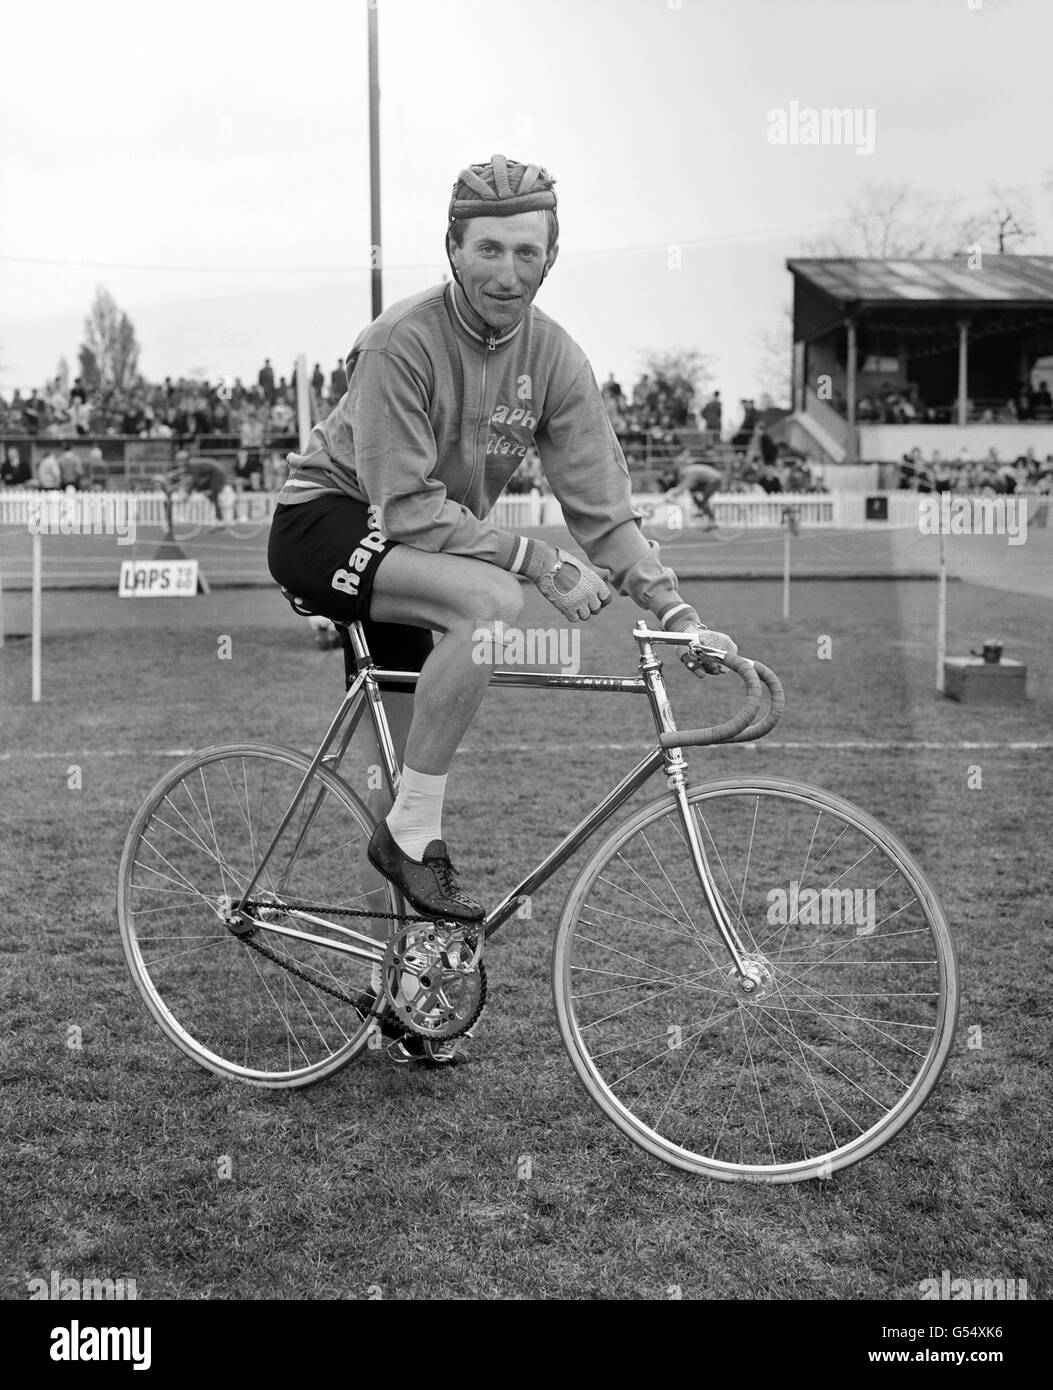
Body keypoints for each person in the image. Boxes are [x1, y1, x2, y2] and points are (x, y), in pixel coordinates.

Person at [267, 154, 737, 1062]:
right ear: (451, 247)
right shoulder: (399, 338)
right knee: (491, 601)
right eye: (487, 247)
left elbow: (602, 510)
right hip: (330, 524)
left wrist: (675, 613)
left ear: (552, 255)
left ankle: (397, 982)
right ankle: (412, 835)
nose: (507, 270)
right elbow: (401, 506)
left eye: (528, 250)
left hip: (426, 554)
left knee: (398, 776)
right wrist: (533, 560)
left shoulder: (555, 357)